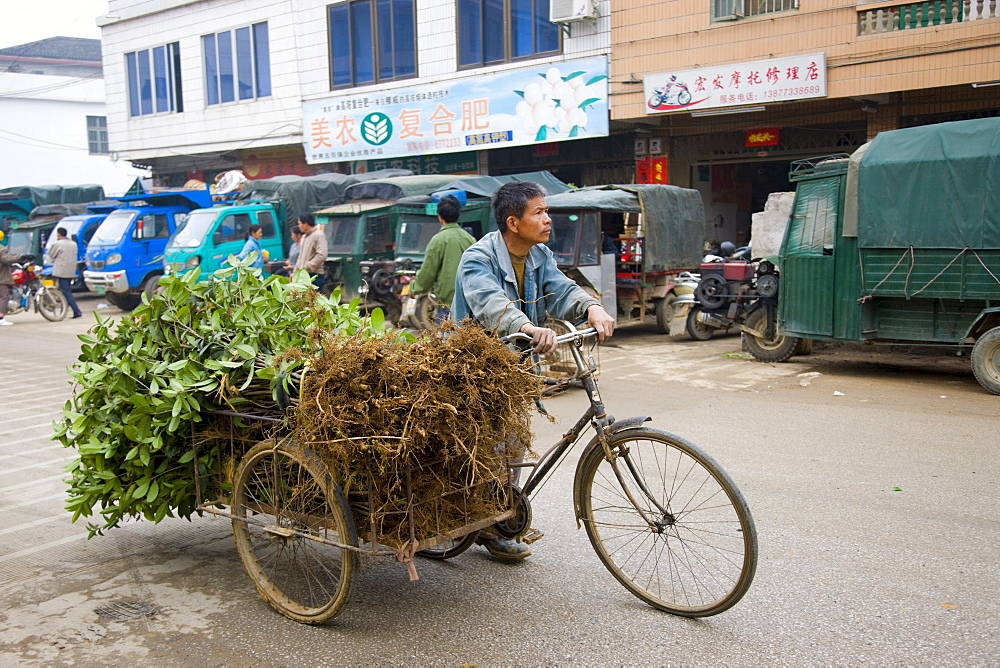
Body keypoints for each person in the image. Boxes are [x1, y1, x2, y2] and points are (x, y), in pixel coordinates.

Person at [452, 181, 616, 560]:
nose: (547, 219)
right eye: (538, 212)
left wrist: (591, 307)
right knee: (489, 447)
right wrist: (527, 326)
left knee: (510, 445)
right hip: (475, 370)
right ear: (513, 221)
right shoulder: (477, 259)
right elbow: (489, 303)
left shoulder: (539, 255)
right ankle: (488, 522)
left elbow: (561, 288)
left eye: (546, 210)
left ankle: (499, 515)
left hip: (517, 365)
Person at [408, 195, 475, 323]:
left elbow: (428, 274)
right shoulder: (470, 239)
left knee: (446, 340)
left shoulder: (437, 241)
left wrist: (414, 288)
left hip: (447, 306)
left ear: (440, 217)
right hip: (469, 304)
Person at [49, 227, 83, 319]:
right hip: (71, 270)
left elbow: (51, 255)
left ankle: (77, 311)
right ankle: (64, 311)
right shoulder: (73, 244)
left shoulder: (57, 244)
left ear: (59, 234)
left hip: (61, 271)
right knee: (66, 291)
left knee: (66, 292)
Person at [294, 212, 328, 291]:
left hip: (315, 275)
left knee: (315, 301)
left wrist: (308, 266)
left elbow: (322, 255)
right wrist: (295, 272)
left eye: (299, 224)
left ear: (305, 223)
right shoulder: (304, 237)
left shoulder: (319, 235)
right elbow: (300, 257)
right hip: (303, 275)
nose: (299, 226)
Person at [0, 230, 18, 327]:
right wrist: (20, 257)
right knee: (4, 296)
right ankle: (1, 318)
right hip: (1, 277)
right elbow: (7, 259)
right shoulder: (2, 249)